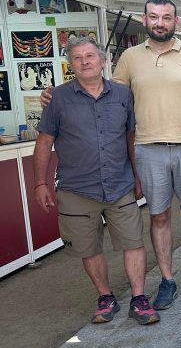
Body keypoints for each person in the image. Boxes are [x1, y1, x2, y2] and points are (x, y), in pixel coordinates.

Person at [41, 0, 181, 310]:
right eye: (154, 17)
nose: (160, 22)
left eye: (166, 17)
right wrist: (57, 94)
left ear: (175, 22)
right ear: (144, 19)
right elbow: (106, 93)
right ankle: (166, 280)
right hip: (147, 148)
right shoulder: (129, 59)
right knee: (159, 215)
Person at [32, 36, 159, 326]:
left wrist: (137, 177)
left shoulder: (122, 95)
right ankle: (105, 296)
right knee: (87, 247)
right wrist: (40, 183)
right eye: (77, 58)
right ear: (70, 65)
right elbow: (44, 142)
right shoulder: (58, 98)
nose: (84, 61)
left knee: (133, 242)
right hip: (76, 188)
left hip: (119, 184)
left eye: (90, 56)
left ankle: (139, 299)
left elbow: (130, 137)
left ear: (103, 61)